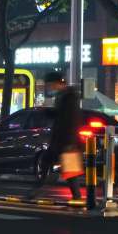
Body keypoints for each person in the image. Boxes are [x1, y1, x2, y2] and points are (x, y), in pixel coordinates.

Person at [40, 72, 84, 201]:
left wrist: (70, 142)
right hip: (59, 138)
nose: (49, 87)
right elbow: (59, 115)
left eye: (50, 85)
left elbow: (72, 120)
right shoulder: (62, 96)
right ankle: (42, 186)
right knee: (47, 160)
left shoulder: (70, 97)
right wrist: (47, 111)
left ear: (57, 83)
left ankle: (77, 196)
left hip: (67, 140)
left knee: (69, 169)